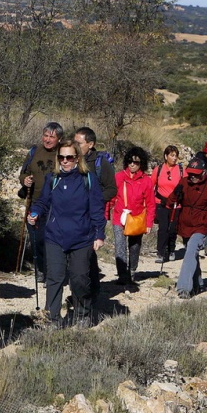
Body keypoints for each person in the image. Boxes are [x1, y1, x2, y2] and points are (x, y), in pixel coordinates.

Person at [27, 139, 105, 328]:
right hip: (55, 236)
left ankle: (82, 313)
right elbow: (43, 202)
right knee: (54, 278)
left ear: (77, 158)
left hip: (82, 238)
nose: (65, 161)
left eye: (69, 157)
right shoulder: (52, 179)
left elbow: (97, 209)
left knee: (79, 279)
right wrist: (35, 212)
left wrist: (99, 234)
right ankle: (52, 318)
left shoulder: (88, 179)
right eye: (61, 157)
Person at [167, 157, 207, 299]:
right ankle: (198, 283)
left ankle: (183, 288)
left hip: (201, 226)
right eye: (190, 173)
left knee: (191, 249)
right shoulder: (183, 183)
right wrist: (176, 193)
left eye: (196, 174)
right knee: (191, 254)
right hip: (185, 224)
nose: (192, 177)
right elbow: (169, 203)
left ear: (203, 173)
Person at [72, 128, 115, 302]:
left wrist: (93, 200)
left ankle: (90, 291)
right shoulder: (70, 160)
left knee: (87, 251)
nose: (75, 146)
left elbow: (111, 189)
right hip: (73, 215)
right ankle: (86, 288)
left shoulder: (100, 163)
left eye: (79, 143)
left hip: (93, 216)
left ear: (90, 144)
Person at [17, 121, 64, 276]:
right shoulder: (34, 151)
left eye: (52, 137)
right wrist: (25, 180)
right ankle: (41, 269)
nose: (47, 140)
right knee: (36, 238)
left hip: (56, 205)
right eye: (45, 135)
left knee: (49, 239)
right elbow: (23, 172)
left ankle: (51, 270)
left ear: (59, 139)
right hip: (35, 202)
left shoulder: (64, 155)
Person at [110, 146, 155, 290]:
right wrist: (105, 213)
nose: (132, 164)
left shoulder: (146, 181)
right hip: (119, 217)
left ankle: (132, 271)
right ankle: (123, 276)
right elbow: (111, 197)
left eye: (136, 162)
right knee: (120, 247)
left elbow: (151, 204)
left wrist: (149, 223)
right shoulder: (118, 177)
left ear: (141, 163)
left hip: (137, 218)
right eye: (130, 161)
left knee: (134, 247)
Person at [152, 145, 184, 263]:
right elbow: (151, 185)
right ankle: (161, 252)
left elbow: (185, 185)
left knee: (173, 229)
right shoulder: (158, 169)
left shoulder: (181, 170)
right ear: (166, 156)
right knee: (163, 228)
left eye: (176, 156)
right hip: (160, 203)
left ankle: (171, 249)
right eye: (172, 155)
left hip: (176, 204)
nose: (174, 158)